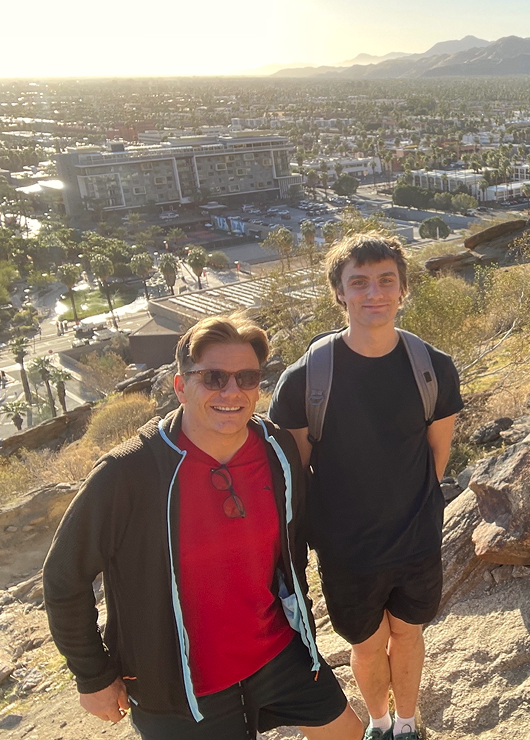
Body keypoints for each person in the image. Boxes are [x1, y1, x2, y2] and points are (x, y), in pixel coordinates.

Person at [43, 314, 364, 739]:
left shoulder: (277, 450)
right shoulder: (129, 473)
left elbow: (294, 546)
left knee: (347, 732)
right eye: (213, 378)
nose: (232, 392)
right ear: (180, 387)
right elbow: (63, 576)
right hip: (180, 687)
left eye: (247, 377)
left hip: (277, 654)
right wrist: (93, 676)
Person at [269, 233, 463, 740]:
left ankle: (406, 724)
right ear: (339, 292)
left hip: (416, 540)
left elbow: (437, 456)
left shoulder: (433, 369)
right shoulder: (304, 380)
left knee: (409, 634)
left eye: (385, 280)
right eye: (358, 282)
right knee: (367, 645)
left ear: (402, 289)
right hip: (347, 550)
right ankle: (379, 723)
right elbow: (296, 476)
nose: (374, 293)